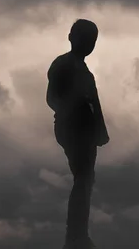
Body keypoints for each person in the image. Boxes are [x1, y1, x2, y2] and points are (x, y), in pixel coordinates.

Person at [46, 19, 110, 249]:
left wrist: (101, 131)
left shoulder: (86, 73)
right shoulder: (63, 64)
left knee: (86, 179)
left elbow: (95, 104)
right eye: (85, 38)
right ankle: (75, 236)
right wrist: (71, 109)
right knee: (83, 178)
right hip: (71, 128)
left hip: (86, 130)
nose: (89, 44)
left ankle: (79, 233)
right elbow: (52, 98)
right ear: (71, 37)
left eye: (93, 40)